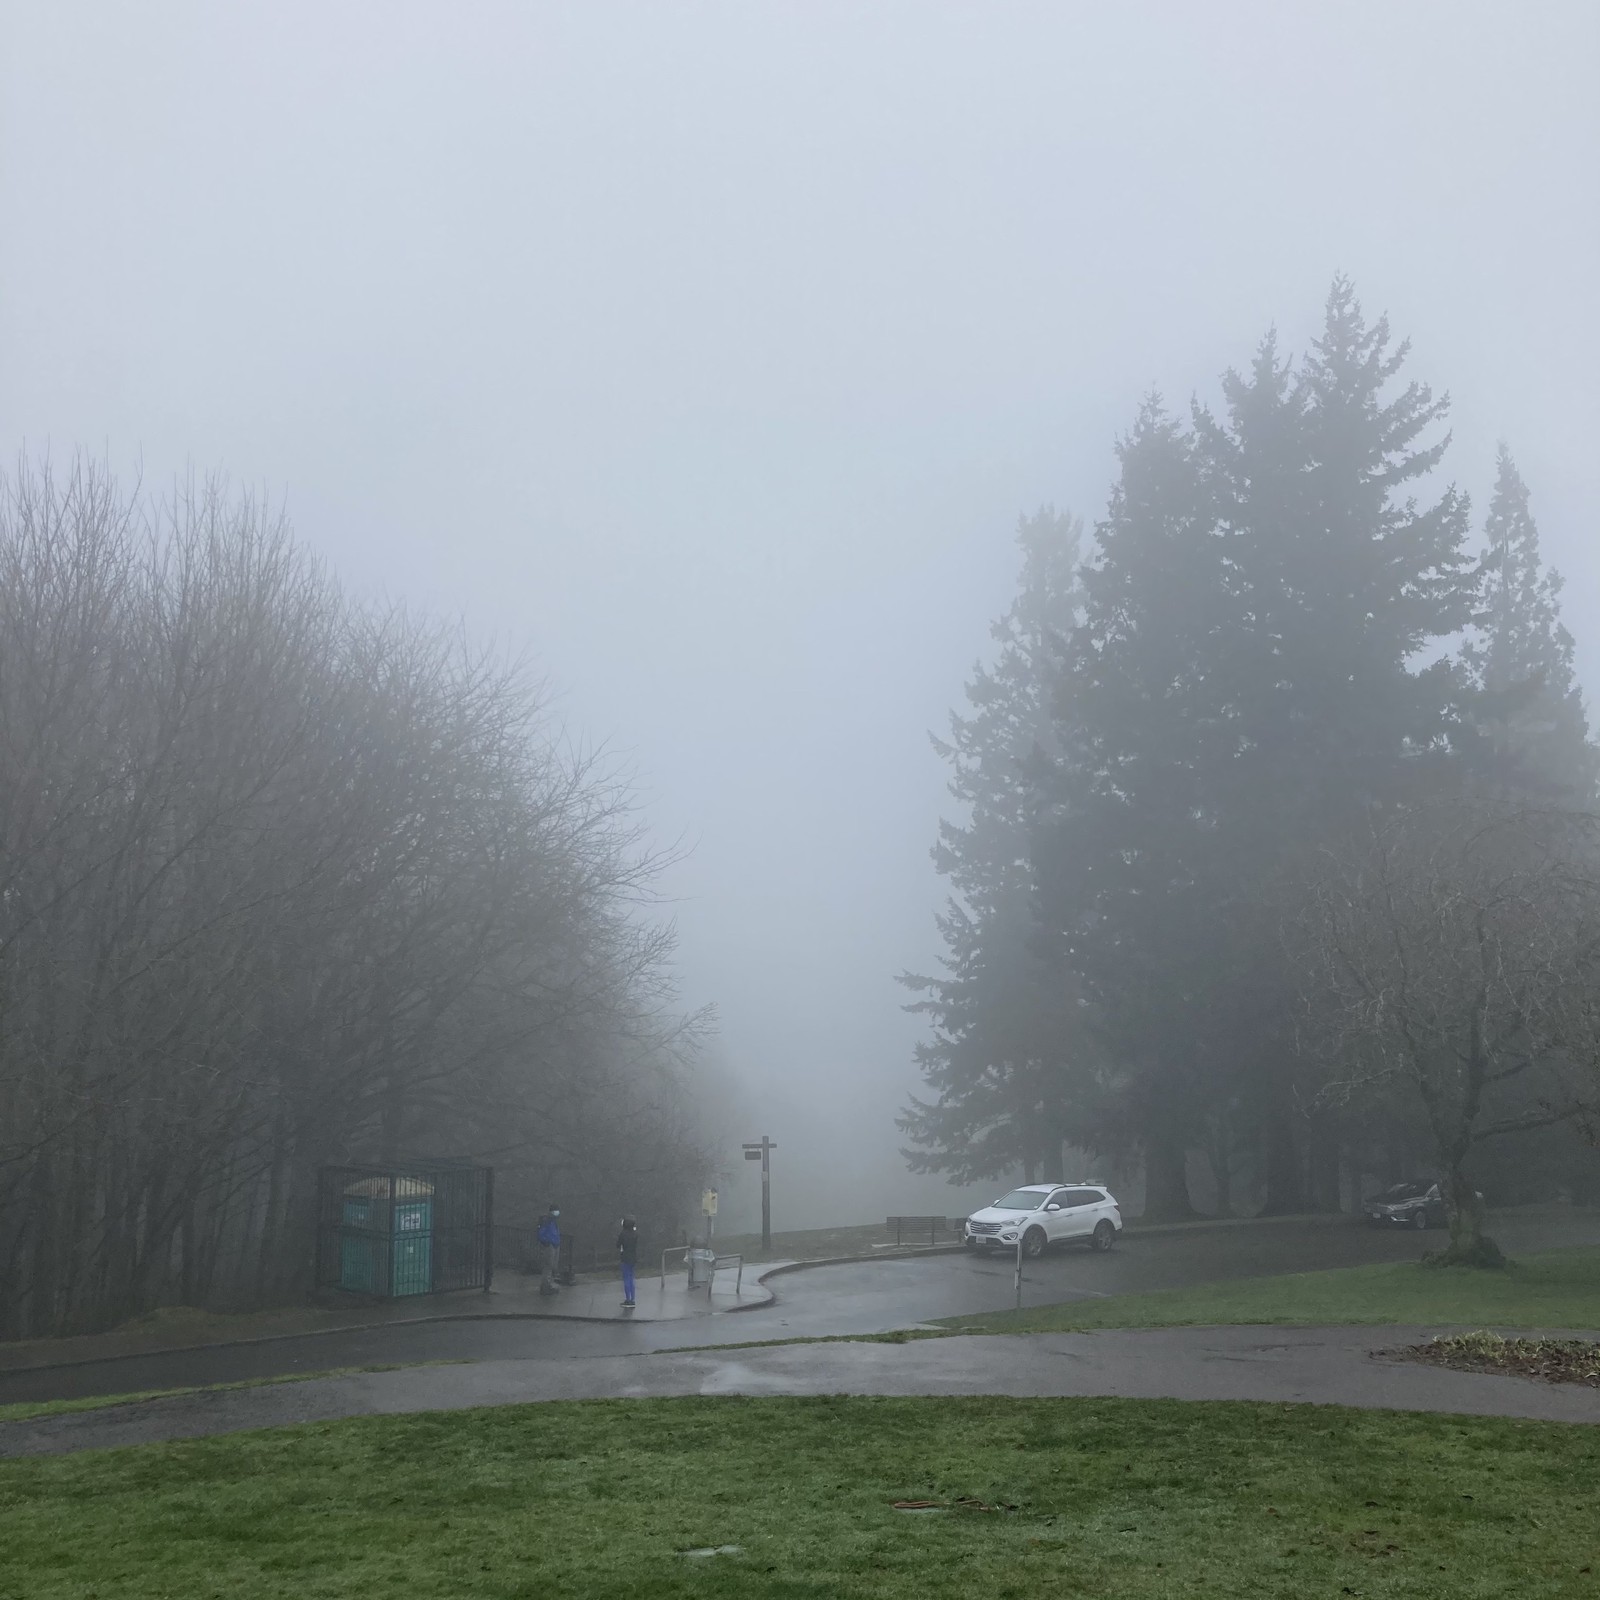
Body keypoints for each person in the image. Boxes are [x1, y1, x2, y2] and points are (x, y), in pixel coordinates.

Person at [537, 1206, 562, 1295]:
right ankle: (545, 1287)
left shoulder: (553, 1221)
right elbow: (541, 1233)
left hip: (554, 1245)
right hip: (549, 1246)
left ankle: (548, 1285)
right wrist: (547, 1242)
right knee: (548, 1266)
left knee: (552, 1266)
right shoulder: (546, 1221)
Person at [617, 1216, 639, 1307]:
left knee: (626, 1278)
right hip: (633, 1258)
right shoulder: (635, 1234)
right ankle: (633, 1299)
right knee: (631, 1278)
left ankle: (628, 1299)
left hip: (625, 1258)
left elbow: (618, 1245)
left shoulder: (623, 1234)